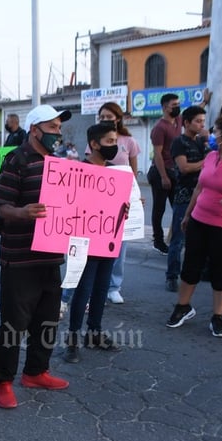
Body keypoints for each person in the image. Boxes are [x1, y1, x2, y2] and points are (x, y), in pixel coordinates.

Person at [0, 104, 71, 409]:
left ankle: (36, 371)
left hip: (50, 257)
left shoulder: (60, 165)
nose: (58, 133)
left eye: (60, 128)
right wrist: (23, 212)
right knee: (14, 323)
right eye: (53, 128)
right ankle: (4, 381)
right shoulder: (17, 160)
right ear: (35, 130)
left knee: (47, 319)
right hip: (20, 258)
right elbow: (1, 207)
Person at [165, 116, 222, 338]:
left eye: (214, 130)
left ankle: (217, 317)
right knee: (190, 267)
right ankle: (183, 307)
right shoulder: (211, 157)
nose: (210, 133)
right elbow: (199, 188)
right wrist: (187, 215)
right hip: (199, 221)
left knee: (220, 272)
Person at [63, 123, 130, 362]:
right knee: (83, 290)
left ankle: (94, 332)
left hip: (108, 240)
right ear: (94, 144)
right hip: (85, 242)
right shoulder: (80, 171)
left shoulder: (116, 172)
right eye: (110, 142)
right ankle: (72, 340)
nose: (114, 146)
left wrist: (127, 207)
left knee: (102, 288)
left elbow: (120, 207)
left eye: (116, 142)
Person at [93, 101, 141, 304]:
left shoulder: (128, 141)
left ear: (118, 118)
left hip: (121, 199)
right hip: (99, 198)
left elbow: (133, 171)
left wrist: (135, 196)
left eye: (109, 117)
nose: (105, 120)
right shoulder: (94, 139)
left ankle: (114, 286)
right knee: (99, 245)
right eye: (102, 117)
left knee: (120, 244)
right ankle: (97, 286)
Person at [166, 105, 209, 293]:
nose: (201, 125)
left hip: (203, 196)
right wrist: (205, 162)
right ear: (187, 123)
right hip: (184, 196)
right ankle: (172, 276)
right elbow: (184, 168)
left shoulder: (202, 142)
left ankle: (195, 272)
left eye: (203, 121)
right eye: (198, 121)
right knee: (178, 238)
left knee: (200, 239)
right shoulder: (179, 142)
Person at [147, 94, 182, 255]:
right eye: (174, 105)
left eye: (178, 104)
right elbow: (158, 154)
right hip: (160, 172)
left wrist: (204, 101)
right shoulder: (160, 128)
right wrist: (163, 176)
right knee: (159, 209)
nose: (177, 107)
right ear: (164, 107)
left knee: (178, 207)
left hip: (174, 172)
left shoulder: (179, 120)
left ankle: (176, 238)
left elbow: (194, 113)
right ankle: (158, 241)